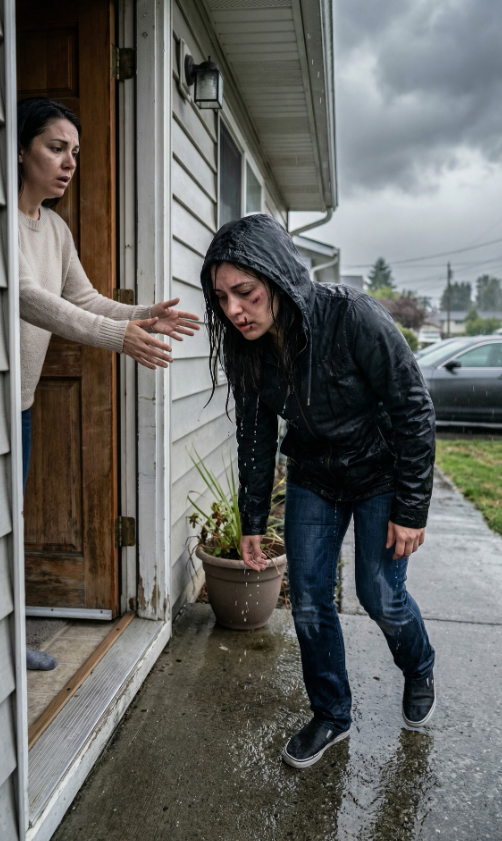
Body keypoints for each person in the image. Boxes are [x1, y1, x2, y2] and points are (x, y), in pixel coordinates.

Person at [201, 213, 436, 769]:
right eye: (222, 297)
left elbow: (413, 408)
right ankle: (331, 713)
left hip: (379, 473)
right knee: (308, 602)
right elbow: (255, 433)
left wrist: (410, 507)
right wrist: (252, 519)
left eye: (246, 293)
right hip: (314, 477)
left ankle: (419, 666)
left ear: (277, 278)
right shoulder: (247, 347)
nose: (234, 310)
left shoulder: (352, 316)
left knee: (380, 595)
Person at [18, 97, 200, 670]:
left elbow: (84, 298)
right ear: (20, 150)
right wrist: (118, 338)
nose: (69, 162)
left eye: (74, 151)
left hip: (18, 406)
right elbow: (27, 297)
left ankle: (5, 643)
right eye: (56, 148)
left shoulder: (55, 228)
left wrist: (142, 316)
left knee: (9, 526)